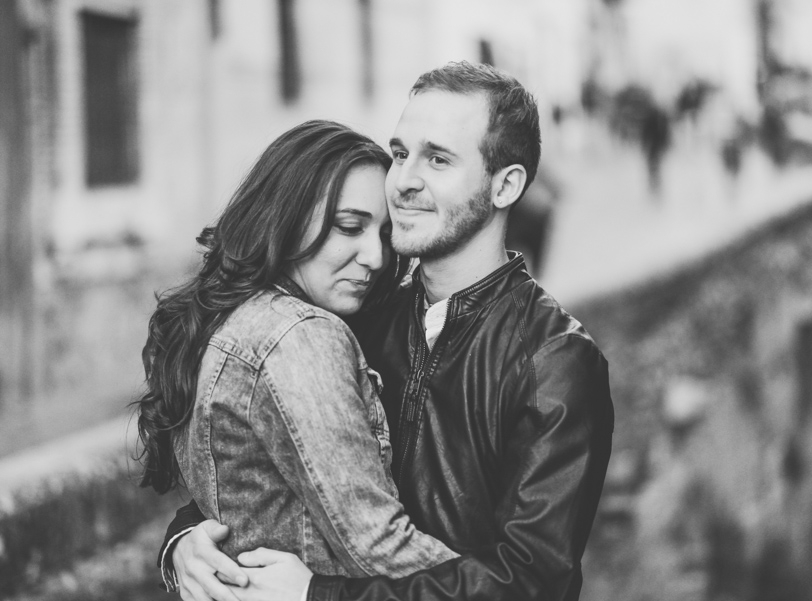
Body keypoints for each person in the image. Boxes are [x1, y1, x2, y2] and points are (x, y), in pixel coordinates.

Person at [159, 61, 614, 601]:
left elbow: (534, 582)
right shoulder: (354, 320)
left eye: (438, 159)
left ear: (505, 185)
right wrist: (184, 541)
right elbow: (278, 470)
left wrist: (322, 596)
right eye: (400, 153)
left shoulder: (554, 361)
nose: (403, 180)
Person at [135, 120, 460, 601]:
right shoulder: (299, 336)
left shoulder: (231, 322)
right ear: (284, 219)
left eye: (385, 233)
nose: (374, 256)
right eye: (349, 227)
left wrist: (179, 542)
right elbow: (376, 543)